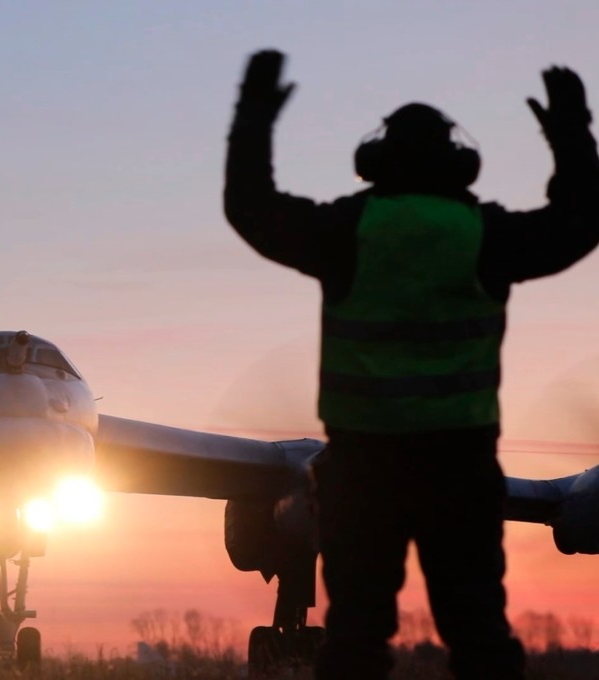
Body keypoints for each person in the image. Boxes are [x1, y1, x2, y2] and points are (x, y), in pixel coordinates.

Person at [223, 49, 599, 680]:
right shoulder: (486, 234)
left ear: (373, 163)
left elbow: (251, 207)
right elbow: (580, 221)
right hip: (461, 470)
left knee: (357, 639)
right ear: (461, 164)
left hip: (361, 470)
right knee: (480, 636)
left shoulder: (345, 230)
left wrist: (254, 116)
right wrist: (571, 133)